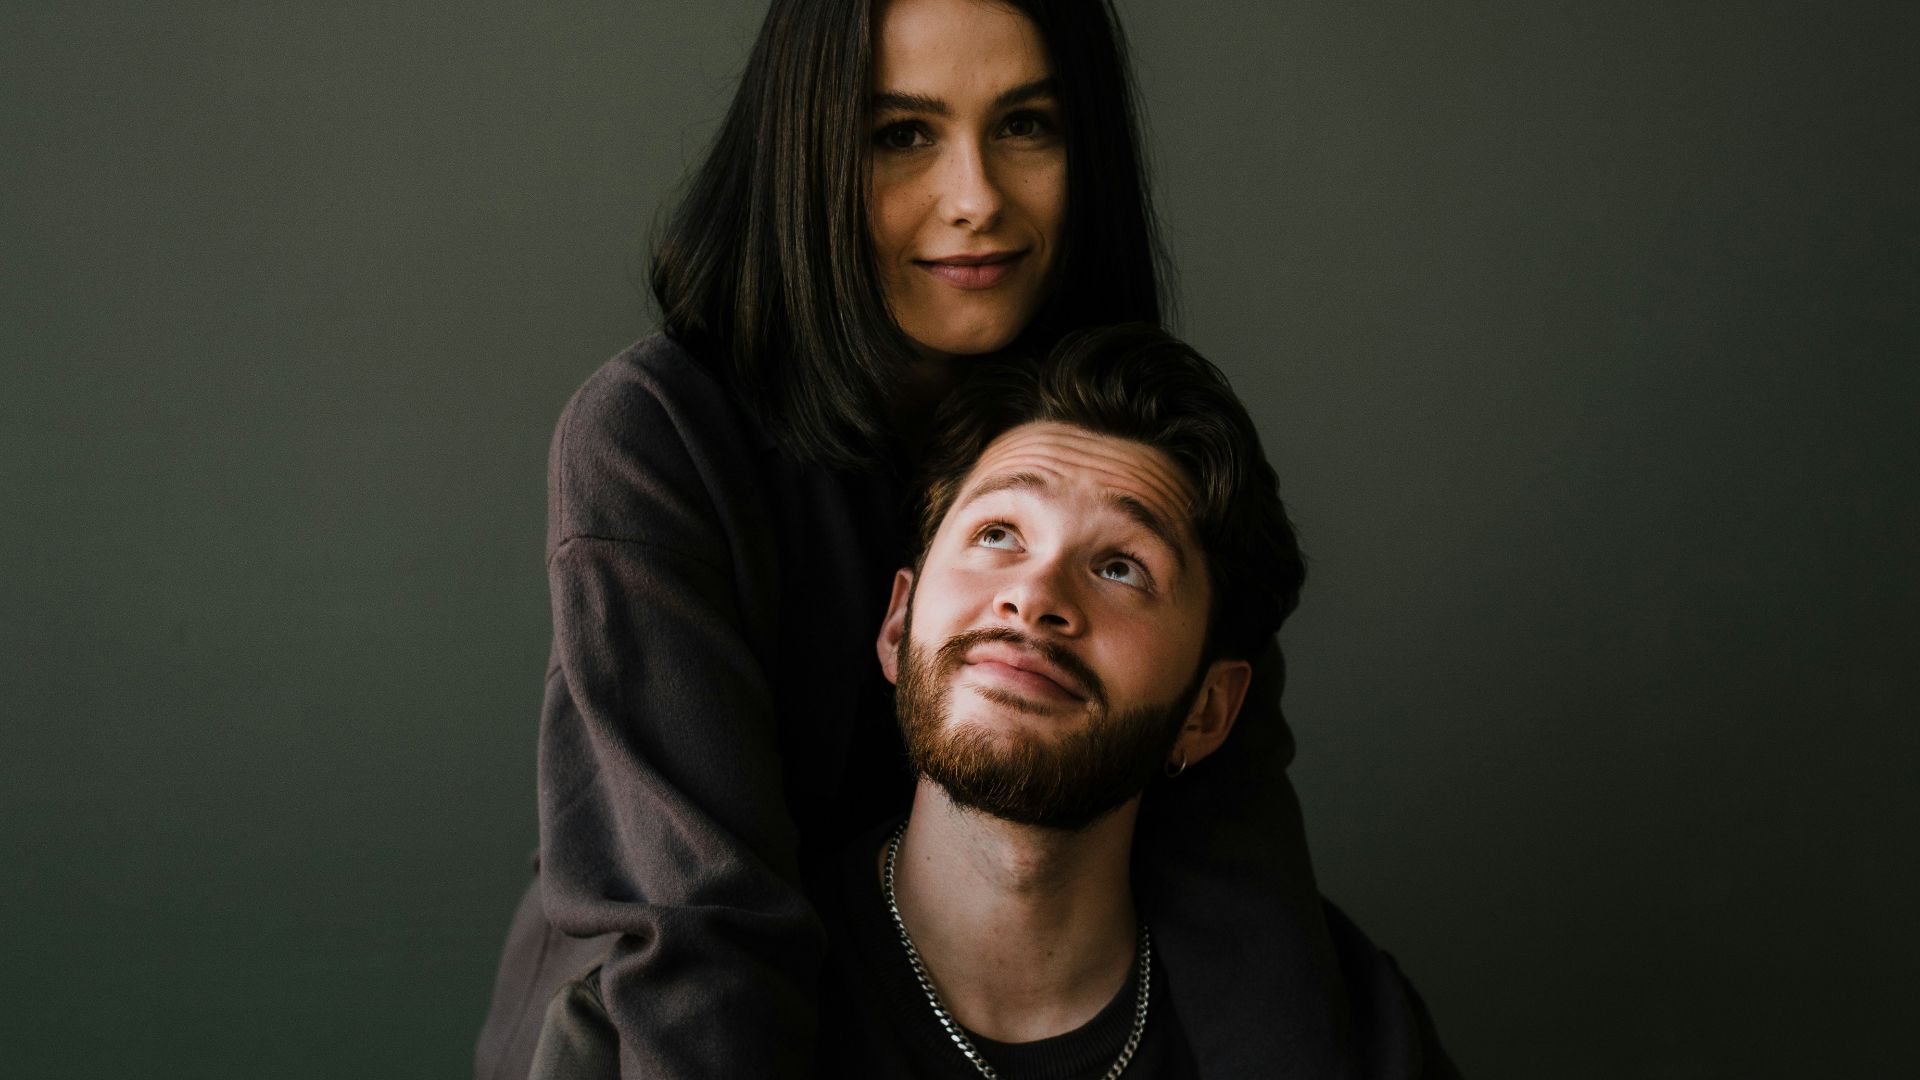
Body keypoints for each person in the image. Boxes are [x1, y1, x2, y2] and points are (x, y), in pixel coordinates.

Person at [476, 1, 1348, 1077]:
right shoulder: (658, 438)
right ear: (809, 152)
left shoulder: (1127, 438)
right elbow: (697, 914)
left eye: (1027, 124)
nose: (975, 199)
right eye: (902, 134)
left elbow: (1231, 851)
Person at [524, 326, 1457, 1079]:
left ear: (1208, 712)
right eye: (1000, 533)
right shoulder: (636, 1043)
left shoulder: (1353, 1037)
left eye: (1123, 567)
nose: (1036, 596)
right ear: (897, 625)